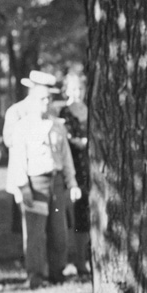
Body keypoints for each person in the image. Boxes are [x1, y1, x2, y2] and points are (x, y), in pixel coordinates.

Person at [5, 71, 80, 288]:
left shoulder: (57, 124)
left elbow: (65, 157)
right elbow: (18, 157)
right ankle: (35, 275)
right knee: (35, 233)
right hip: (35, 183)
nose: (45, 102)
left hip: (55, 182)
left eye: (48, 98)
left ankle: (57, 271)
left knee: (59, 229)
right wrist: (23, 187)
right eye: (41, 98)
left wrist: (72, 182)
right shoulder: (21, 122)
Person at [59, 72, 91, 278]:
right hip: (73, 164)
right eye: (73, 89)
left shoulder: (89, 109)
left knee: (88, 212)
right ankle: (77, 259)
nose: (77, 93)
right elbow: (67, 138)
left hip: (89, 164)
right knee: (76, 212)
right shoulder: (64, 111)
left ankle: (86, 257)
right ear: (67, 90)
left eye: (80, 88)